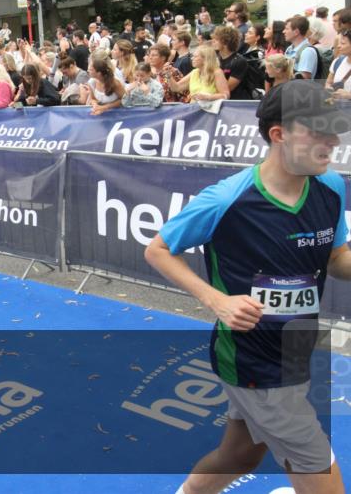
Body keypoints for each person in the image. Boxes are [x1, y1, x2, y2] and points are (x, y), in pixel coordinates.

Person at [145, 80, 350, 494]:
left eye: (337, 129)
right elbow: (159, 250)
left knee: (240, 455)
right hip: (251, 360)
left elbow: (336, 258)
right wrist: (215, 299)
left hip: (293, 351)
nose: (333, 141)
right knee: (321, 475)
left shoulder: (330, 188)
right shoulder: (227, 199)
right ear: (279, 134)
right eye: (320, 130)